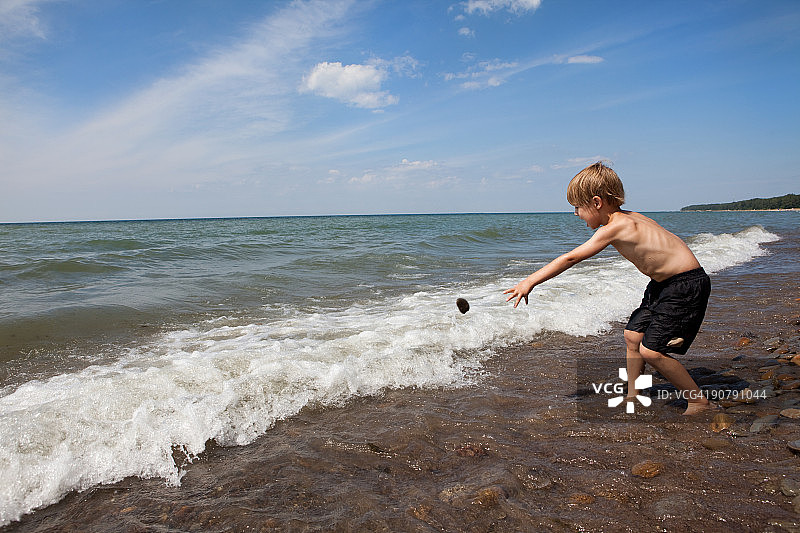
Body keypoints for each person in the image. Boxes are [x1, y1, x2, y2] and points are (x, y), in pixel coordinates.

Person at [504, 162, 713, 415]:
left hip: (685, 285)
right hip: (664, 284)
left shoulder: (616, 227)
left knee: (651, 351)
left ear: (596, 202)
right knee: (633, 336)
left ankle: (698, 401)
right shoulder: (629, 217)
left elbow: (571, 258)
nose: (575, 214)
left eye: (577, 207)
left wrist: (529, 282)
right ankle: (634, 394)